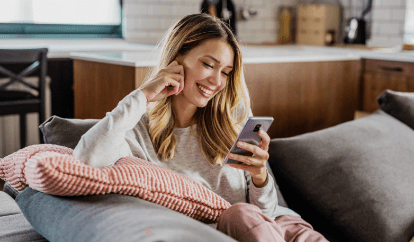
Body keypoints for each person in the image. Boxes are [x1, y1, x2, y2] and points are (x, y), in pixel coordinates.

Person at [73, 13, 328, 242]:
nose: (217, 81)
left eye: (226, 72)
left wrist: (260, 178)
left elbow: (266, 214)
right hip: (228, 231)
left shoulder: (232, 117)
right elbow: (86, 159)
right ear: (177, 58)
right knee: (238, 214)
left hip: (280, 226)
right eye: (208, 65)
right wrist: (143, 95)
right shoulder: (135, 129)